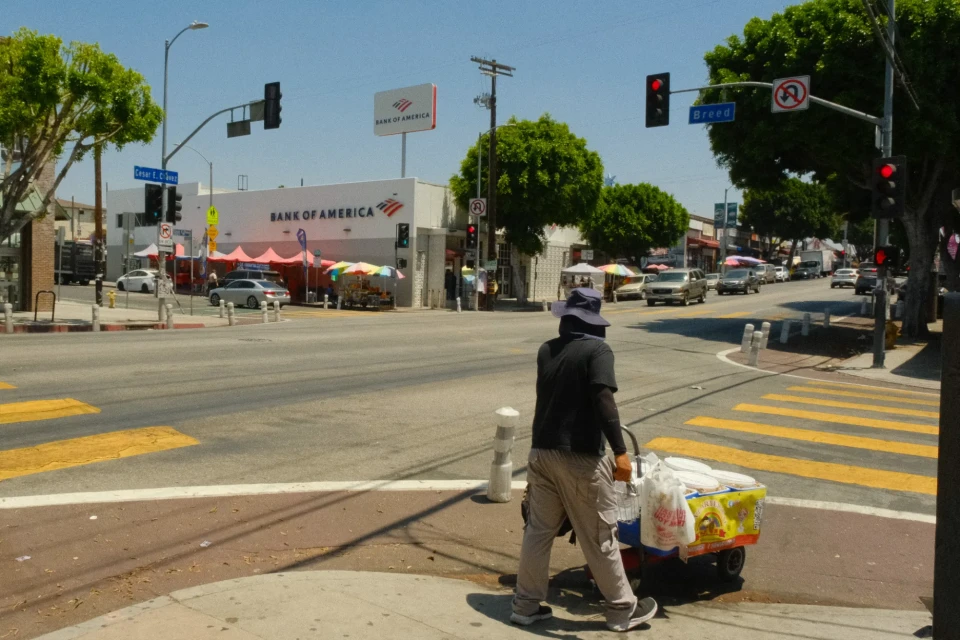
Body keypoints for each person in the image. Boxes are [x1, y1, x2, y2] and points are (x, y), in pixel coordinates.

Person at [511, 287, 657, 632]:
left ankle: (524, 605)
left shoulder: (547, 350)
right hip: (579, 460)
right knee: (600, 535)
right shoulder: (598, 349)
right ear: (595, 322)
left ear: (566, 318)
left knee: (539, 531)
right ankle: (622, 610)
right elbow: (603, 399)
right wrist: (620, 451)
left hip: (541, 453)